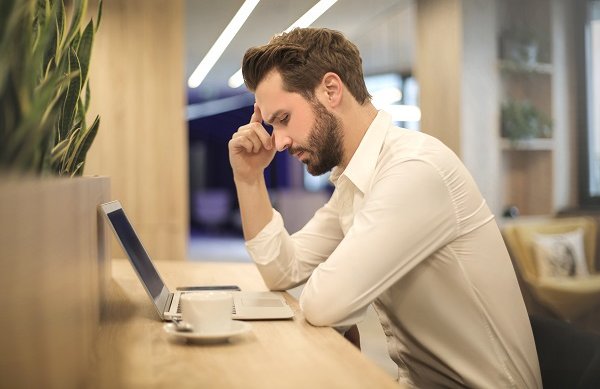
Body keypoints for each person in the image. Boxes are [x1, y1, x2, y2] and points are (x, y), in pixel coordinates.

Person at [228, 27, 541, 388]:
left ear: (331, 90)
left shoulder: (414, 169)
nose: (278, 141)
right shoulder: (355, 179)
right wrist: (249, 179)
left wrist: (337, 301)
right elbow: (282, 270)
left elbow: (324, 303)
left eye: (283, 119)